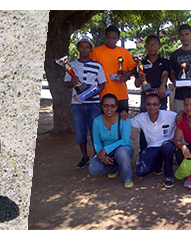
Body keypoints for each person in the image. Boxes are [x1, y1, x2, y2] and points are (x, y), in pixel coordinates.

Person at [64, 35, 107, 169]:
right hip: (77, 105)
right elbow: (67, 84)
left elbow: (102, 85)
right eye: (81, 46)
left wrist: (90, 94)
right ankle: (84, 157)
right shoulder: (71, 65)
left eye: (87, 47)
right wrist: (72, 82)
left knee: (95, 132)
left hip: (93, 104)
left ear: (90, 49)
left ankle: (96, 157)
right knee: (80, 132)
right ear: (78, 48)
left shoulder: (97, 66)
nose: (84, 49)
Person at [129, 93, 177, 188]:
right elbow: (126, 123)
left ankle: (168, 176)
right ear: (145, 105)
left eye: (155, 104)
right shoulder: (141, 117)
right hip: (152, 147)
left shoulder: (169, 115)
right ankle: (158, 164)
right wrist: (122, 114)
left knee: (166, 147)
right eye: (148, 104)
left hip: (167, 145)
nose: (152, 107)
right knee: (140, 172)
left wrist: (182, 113)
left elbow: (182, 116)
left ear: (159, 105)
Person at [90, 25, 137, 120]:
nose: (111, 40)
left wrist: (128, 73)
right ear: (105, 37)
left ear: (118, 38)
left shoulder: (124, 52)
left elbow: (134, 68)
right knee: (105, 124)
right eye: (109, 37)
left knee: (122, 123)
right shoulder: (96, 52)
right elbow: (92, 72)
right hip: (103, 94)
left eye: (114, 38)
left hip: (121, 95)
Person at [88, 94, 135, 188]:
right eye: (106, 105)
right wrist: (102, 156)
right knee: (93, 168)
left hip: (124, 149)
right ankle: (113, 167)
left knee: (121, 153)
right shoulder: (97, 121)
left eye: (112, 106)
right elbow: (96, 141)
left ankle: (127, 176)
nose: (109, 109)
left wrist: (105, 149)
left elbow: (124, 140)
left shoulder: (124, 119)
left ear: (117, 107)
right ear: (101, 106)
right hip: (107, 152)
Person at [134, 35, 170, 152]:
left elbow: (165, 74)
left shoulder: (164, 61)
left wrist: (163, 85)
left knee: (161, 125)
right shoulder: (141, 63)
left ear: (159, 46)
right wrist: (140, 78)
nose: (152, 47)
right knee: (145, 126)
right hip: (146, 99)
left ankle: (161, 153)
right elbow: (136, 84)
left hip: (160, 98)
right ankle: (144, 152)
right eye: (149, 44)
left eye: (154, 44)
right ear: (145, 47)